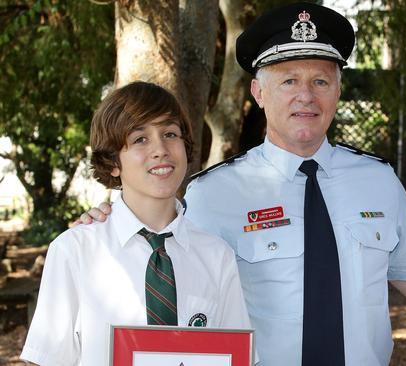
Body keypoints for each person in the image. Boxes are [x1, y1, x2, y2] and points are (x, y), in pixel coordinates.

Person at [80, 3, 406, 365]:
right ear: (259, 93)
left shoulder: (379, 182)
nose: (305, 95)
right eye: (289, 80)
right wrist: (108, 226)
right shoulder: (214, 193)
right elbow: (165, 274)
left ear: (337, 91)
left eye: (320, 81)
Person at [21, 82, 251, 365]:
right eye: (140, 139)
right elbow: (46, 359)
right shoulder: (74, 251)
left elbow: (236, 357)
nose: (160, 150)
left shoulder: (217, 256)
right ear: (113, 162)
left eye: (170, 134)